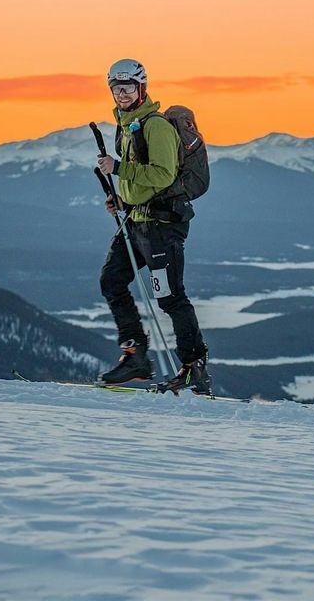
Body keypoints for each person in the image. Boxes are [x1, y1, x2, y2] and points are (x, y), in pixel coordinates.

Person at [96, 58, 211, 393]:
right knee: (111, 280)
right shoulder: (128, 127)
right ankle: (136, 356)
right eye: (116, 88)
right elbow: (144, 177)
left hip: (162, 224)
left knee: (171, 298)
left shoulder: (155, 126)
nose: (122, 94)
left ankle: (193, 368)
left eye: (128, 87)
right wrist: (123, 200)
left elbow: (163, 175)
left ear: (141, 88)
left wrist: (119, 170)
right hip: (137, 220)